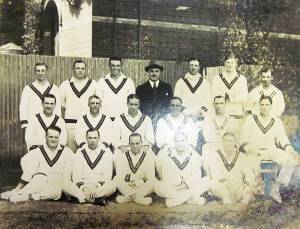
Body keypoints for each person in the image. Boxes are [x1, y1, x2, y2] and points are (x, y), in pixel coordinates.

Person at [0, 126, 85, 203]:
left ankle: (27, 196)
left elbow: (75, 166)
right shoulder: (37, 151)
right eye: (50, 137)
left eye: (56, 137)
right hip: (40, 182)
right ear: (46, 137)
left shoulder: (66, 151)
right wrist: (18, 187)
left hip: (56, 184)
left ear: (59, 138)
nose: (53, 139)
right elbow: (28, 172)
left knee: (56, 193)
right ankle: (18, 192)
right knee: (39, 177)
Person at [240, 95, 300, 202]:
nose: (264, 107)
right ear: (259, 106)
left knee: (291, 160)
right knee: (248, 166)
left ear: (271, 106)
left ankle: (276, 188)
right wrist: (250, 149)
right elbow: (243, 140)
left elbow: (282, 138)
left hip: (271, 151)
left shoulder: (276, 121)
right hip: (254, 151)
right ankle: (250, 192)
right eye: (262, 104)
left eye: (267, 105)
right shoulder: (251, 119)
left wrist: (290, 149)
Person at [155, 132, 210, 207]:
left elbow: (196, 176)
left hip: (188, 187)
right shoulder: (167, 155)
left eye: (182, 141)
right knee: (158, 185)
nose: (179, 144)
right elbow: (165, 174)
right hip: (173, 188)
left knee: (206, 180)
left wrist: (184, 186)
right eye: (177, 141)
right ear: (174, 142)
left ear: (187, 141)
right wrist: (175, 187)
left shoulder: (194, 155)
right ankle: (188, 199)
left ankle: (176, 201)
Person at [202, 132, 255, 204]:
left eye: (231, 141)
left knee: (247, 191)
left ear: (235, 143)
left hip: (237, 186)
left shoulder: (241, 156)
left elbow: (249, 174)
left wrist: (247, 185)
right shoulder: (216, 155)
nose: (228, 143)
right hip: (223, 186)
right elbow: (214, 174)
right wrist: (223, 182)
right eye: (225, 141)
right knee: (213, 183)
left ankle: (240, 199)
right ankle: (226, 199)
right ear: (222, 142)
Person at [59, 60, 97, 152]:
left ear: (86, 70)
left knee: (87, 153)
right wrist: (71, 107)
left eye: (82, 68)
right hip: (70, 124)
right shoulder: (65, 84)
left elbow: (98, 102)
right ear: (73, 69)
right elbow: (60, 103)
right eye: (78, 68)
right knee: (70, 153)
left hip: (88, 124)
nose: (80, 70)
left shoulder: (93, 84)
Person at [19, 62, 61, 146]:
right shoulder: (28, 89)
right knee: (34, 153)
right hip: (34, 126)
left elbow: (58, 108)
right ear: (35, 72)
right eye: (38, 71)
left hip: (51, 126)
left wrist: (57, 124)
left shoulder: (54, 88)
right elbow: (23, 108)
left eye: (43, 70)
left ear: (47, 72)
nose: (40, 73)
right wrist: (25, 125)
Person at [73, 129, 116, 205]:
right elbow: (76, 175)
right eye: (90, 138)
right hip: (84, 186)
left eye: (95, 138)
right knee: (65, 184)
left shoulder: (106, 152)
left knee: (112, 185)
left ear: (99, 139)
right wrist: (85, 188)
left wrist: (95, 187)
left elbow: (107, 176)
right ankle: (96, 198)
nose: (92, 141)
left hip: (98, 187)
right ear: (86, 139)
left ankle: (84, 198)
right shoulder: (80, 152)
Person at [114, 133, 155, 206]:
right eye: (132, 144)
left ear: (142, 143)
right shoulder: (123, 156)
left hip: (142, 186)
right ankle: (139, 199)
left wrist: (138, 181)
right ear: (129, 144)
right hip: (127, 186)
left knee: (154, 181)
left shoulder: (147, 155)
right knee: (116, 179)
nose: (135, 146)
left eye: (137, 143)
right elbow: (120, 175)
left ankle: (127, 198)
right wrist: (137, 179)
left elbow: (150, 175)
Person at [136, 60, 173, 131]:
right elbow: (139, 107)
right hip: (146, 121)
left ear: (160, 73)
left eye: (156, 71)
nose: (154, 73)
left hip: (162, 121)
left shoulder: (167, 87)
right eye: (152, 71)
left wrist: (161, 118)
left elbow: (169, 105)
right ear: (148, 72)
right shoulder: (141, 88)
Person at [96, 56, 135, 121]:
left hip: (123, 119)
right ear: (109, 66)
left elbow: (132, 102)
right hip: (105, 119)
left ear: (121, 66)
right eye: (113, 65)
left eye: (117, 65)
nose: (115, 68)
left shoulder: (129, 81)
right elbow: (98, 101)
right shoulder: (102, 81)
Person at [211, 52, 248, 119]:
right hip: (221, 113)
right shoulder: (217, 78)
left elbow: (244, 96)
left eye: (232, 62)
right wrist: (225, 98)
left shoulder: (242, 79)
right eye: (228, 62)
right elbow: (214, 94)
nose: (230, 65)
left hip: (236, 113)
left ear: (236, 64)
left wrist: (231, 99)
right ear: (224, 63)